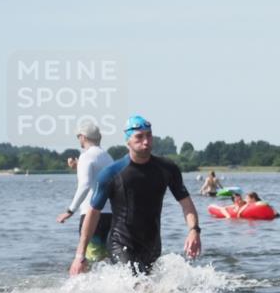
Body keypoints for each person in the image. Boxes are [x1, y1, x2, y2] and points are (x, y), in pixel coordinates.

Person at [69, 115, 201, 276]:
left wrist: (194, 230)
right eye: (139, 137)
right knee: (138, 286)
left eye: (149, 135)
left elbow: (186, 203)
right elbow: (93, 212)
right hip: (120, 243)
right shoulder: (112, 173)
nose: (146, 141)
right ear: (128, 141)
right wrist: (79, 255)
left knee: (151, 292)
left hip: (152, 245)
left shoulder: (167, 169)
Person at [56, 120, 114, 264]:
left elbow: (85, 185)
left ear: (83, 137)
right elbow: (98, 178)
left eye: (78, 137)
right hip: (110, 215)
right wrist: (78, 166)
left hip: (91, 215)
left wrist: (70, 210)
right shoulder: (107, 157)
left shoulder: (86, 156)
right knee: (106, 259)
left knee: (89, 259)